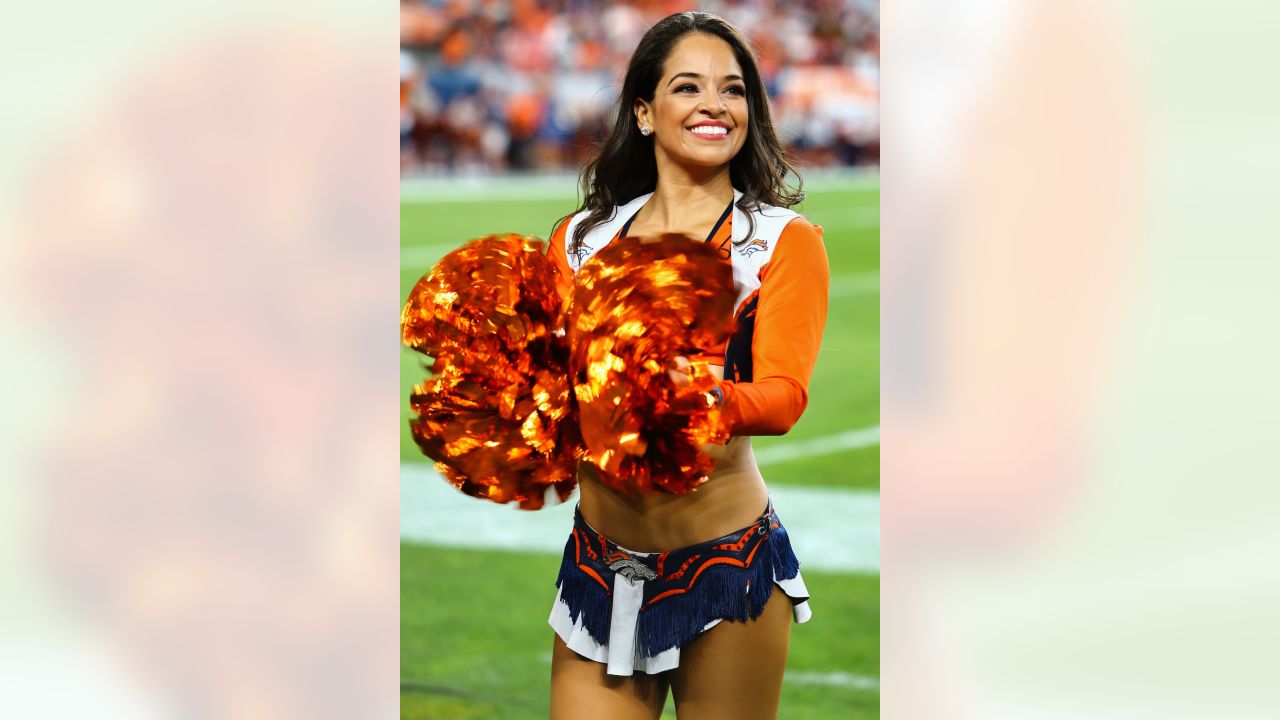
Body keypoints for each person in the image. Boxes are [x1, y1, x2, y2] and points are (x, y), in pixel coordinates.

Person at [543, 12, 830, 719]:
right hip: (598, 565)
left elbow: (783, 397)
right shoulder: (581, 240)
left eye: (732, 91)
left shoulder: (780, 242)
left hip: (724, 568)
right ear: (644, 111)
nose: (714, 105)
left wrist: (689, 396)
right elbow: (551, 391)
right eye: (688, 87)